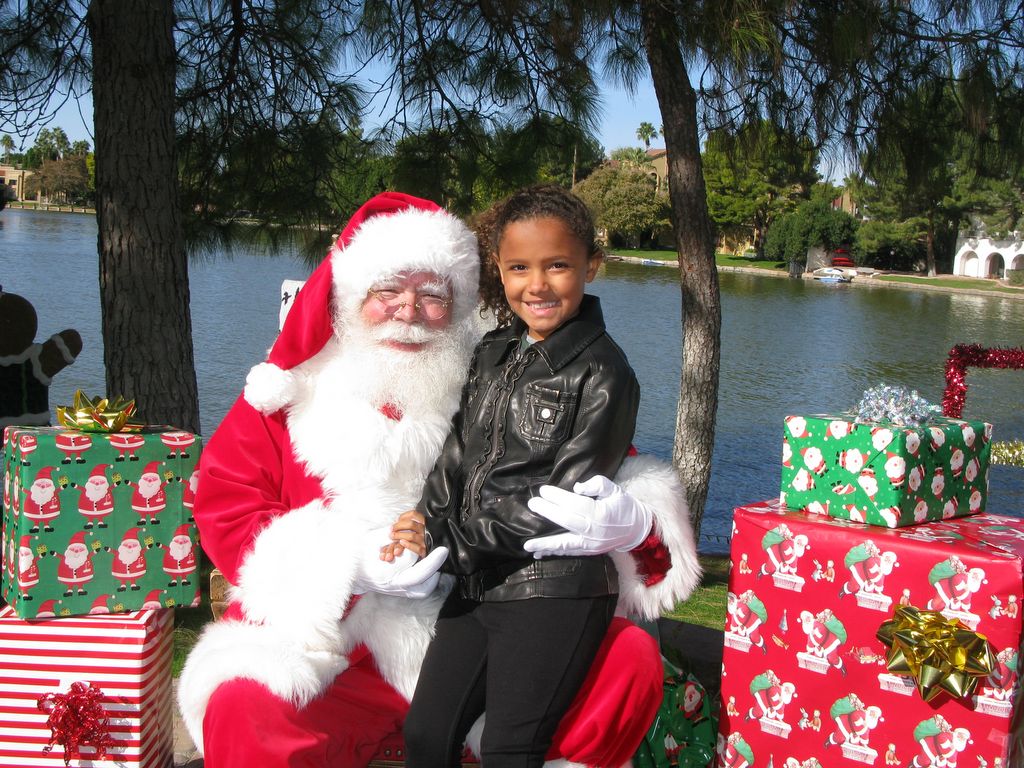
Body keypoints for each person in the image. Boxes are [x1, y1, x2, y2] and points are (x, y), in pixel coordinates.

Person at [176, 192, 701, 768]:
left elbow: (607, 477)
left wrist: (635, 526)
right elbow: (226, 508)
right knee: (245, 701)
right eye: (387, 292)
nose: (409, 310)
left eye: (432, 295)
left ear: (460, 306)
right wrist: (347, 570)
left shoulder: (496, 373)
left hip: (482, 625)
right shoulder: (285, 394)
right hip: (334, 653)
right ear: (351, 298)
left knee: (628, 660)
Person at [389, 186, 642, 767]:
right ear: (499, 273)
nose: (538, 284)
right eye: (519, 267)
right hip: (478, 581)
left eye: (558, 265)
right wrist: (425, 526)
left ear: (591, 266)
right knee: (427, 734)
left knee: (510, 749)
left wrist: (452, 546)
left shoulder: (606, 372)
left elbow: (562, 501)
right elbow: (457, 450)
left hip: (552, 587)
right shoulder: (493, 351)